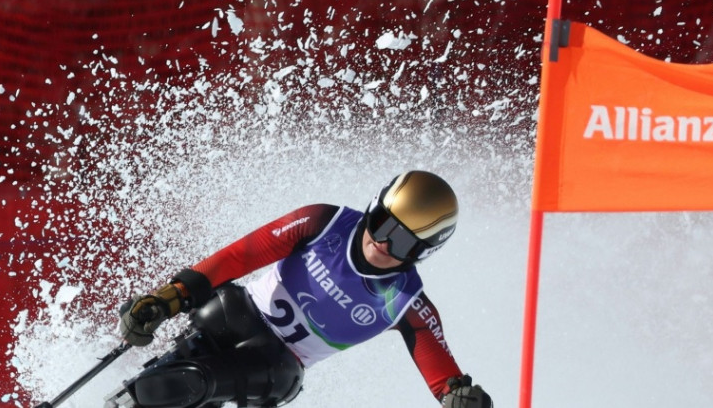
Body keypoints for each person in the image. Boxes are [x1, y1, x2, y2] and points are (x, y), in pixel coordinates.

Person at [106, 170, 494, 408]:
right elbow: (237, 258)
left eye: (405, 244)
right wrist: (168, 298)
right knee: (197, 333)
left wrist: (459, 398)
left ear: (423, 254)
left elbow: (446, 378)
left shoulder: (406, 302)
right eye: (381, 224)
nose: (384, 244)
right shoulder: (324, 223)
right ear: (373, 206)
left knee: (193, 382)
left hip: (275, 365)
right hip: (235, 315)